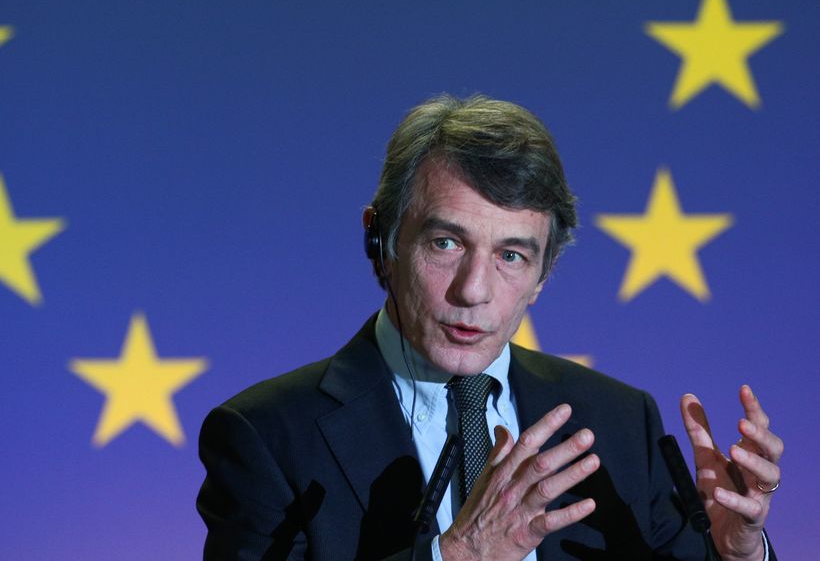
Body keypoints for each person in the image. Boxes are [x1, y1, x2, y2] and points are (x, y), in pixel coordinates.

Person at [197, 94, 783, 560]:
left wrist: (736, 552)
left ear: (543, 276)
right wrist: (456, 558)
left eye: (511, 255)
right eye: (446, 243)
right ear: (381, 242)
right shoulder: (266, 436)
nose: (473, 290)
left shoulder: (618, 422)